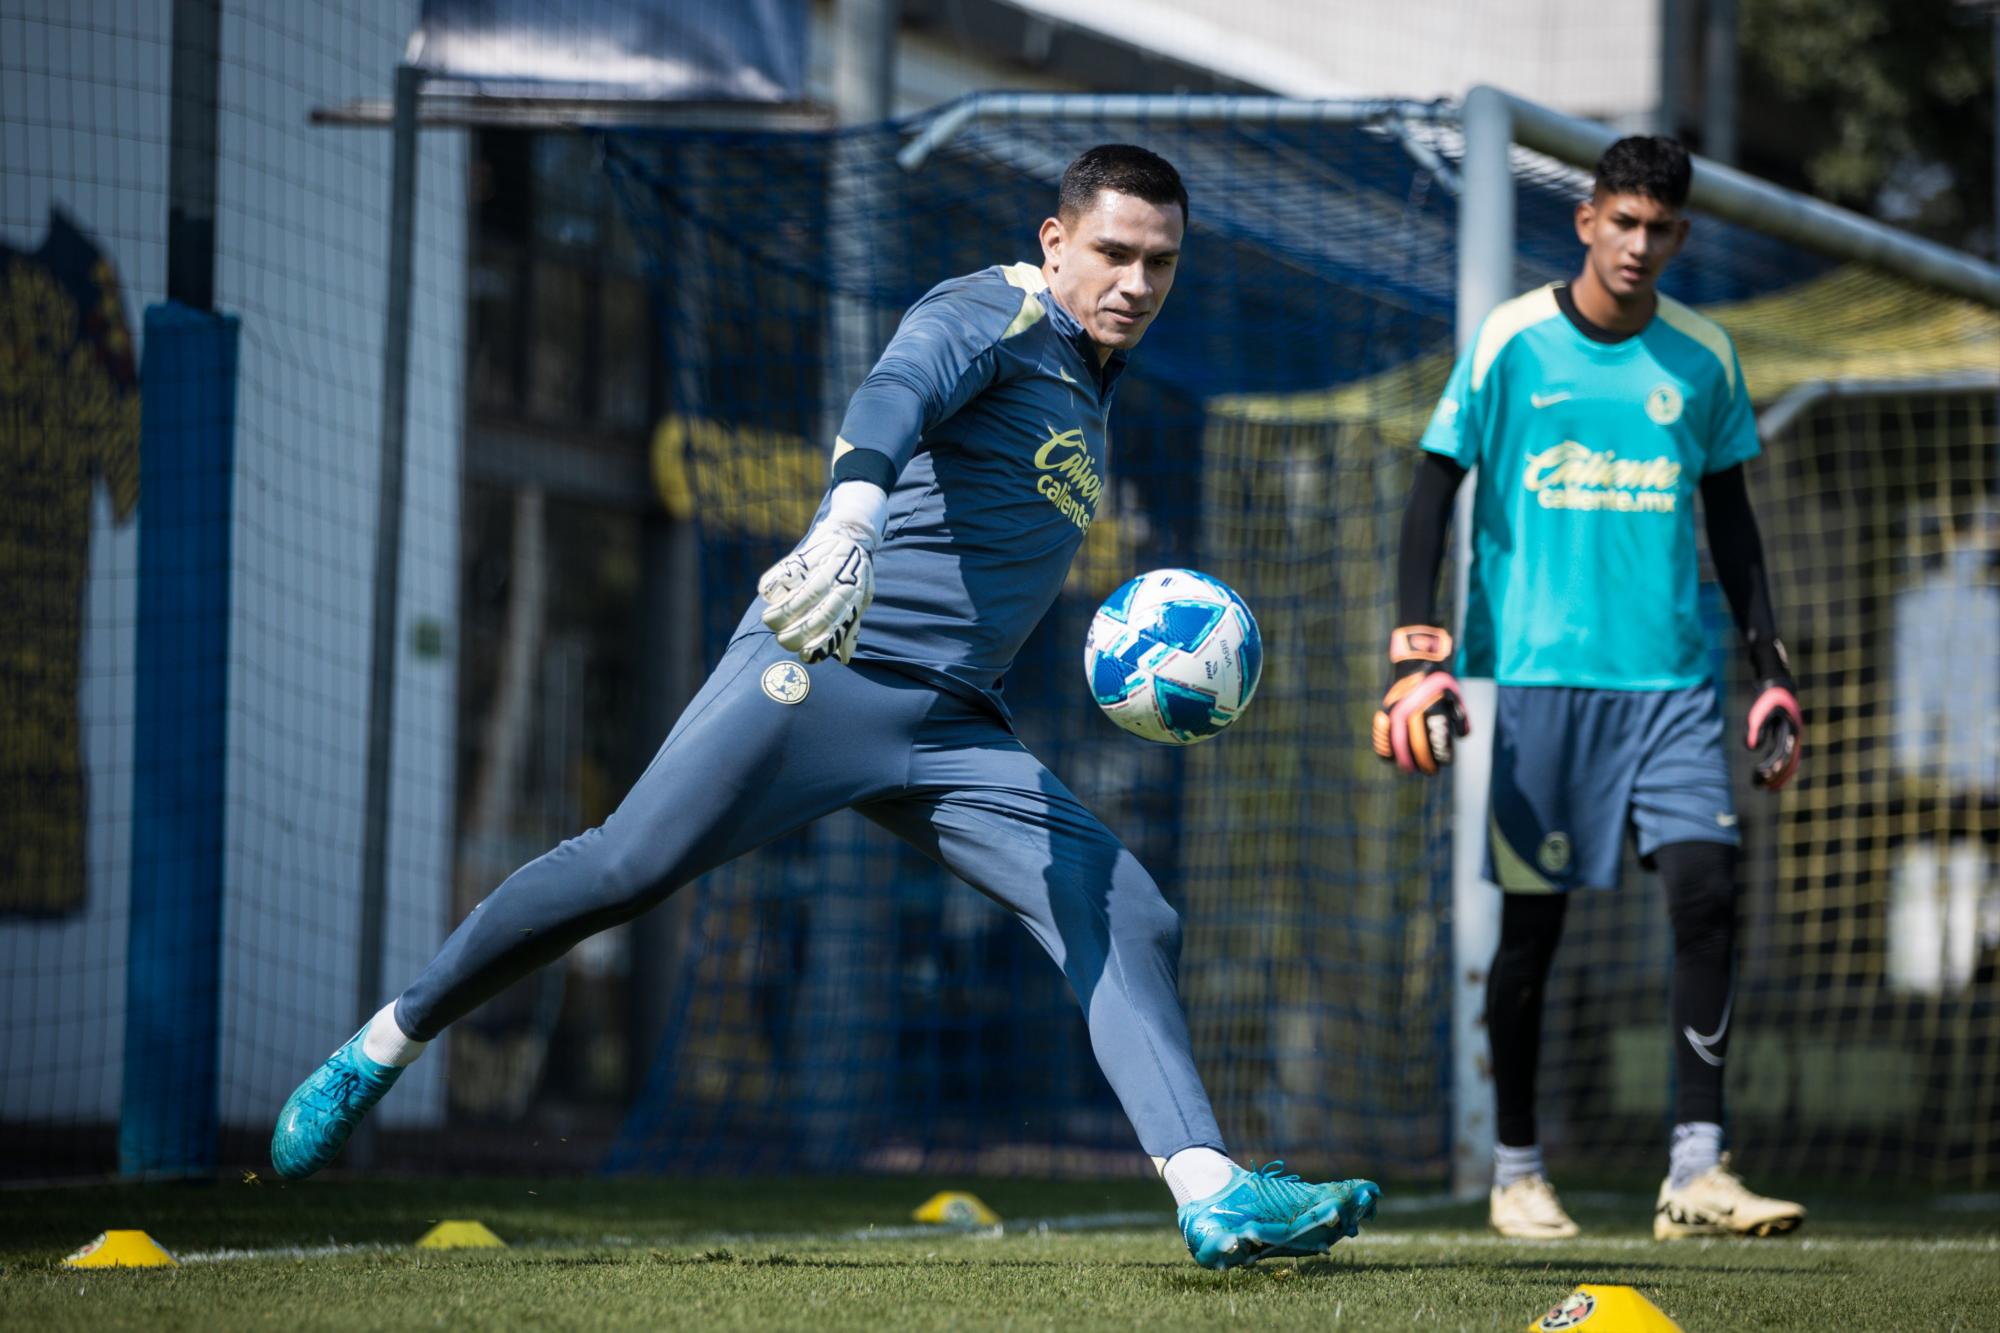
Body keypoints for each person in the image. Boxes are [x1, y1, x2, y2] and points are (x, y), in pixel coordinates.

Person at [272, 144, 1378, 1270]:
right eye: (1111, 253)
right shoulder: (989, 309)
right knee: (621, 870)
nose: (1135, 283)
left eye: (1159, 262)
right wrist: (849, 518)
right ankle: (381, 1045)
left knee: (1125, 908)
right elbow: (893, 389)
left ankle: (1209, 1191)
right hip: (824, 673)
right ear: (1055, 242)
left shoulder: (1096, 384)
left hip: (953, 727)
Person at [1375, 135, 1806, 1241]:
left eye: (1660, 229)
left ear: (1681, 236)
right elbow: (1432, 485)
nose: (1638, 245)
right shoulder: (1512, 341)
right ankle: (1515, 1169)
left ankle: (1696, 1172)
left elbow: (1734, 523)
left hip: (1668, 681)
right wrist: (1416, 652)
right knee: (1534, 929)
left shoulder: (1702, 355)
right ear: (1585, 221)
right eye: (1622, 221)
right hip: (1536, 681)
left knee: (1708, 890)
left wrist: (1771, 669)